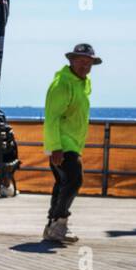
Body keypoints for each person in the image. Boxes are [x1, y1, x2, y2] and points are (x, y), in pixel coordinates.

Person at [42, 43, 101, 244]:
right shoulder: (62, 84)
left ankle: (53, 226)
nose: (85, 65)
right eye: (80, 61)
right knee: (75, 180)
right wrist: (55, 147)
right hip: (62, 143)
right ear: (71, 61)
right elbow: (52, 117)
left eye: (89, 62)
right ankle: (60, 221)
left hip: (73, 143)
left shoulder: (84, 83)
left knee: (63, 183)